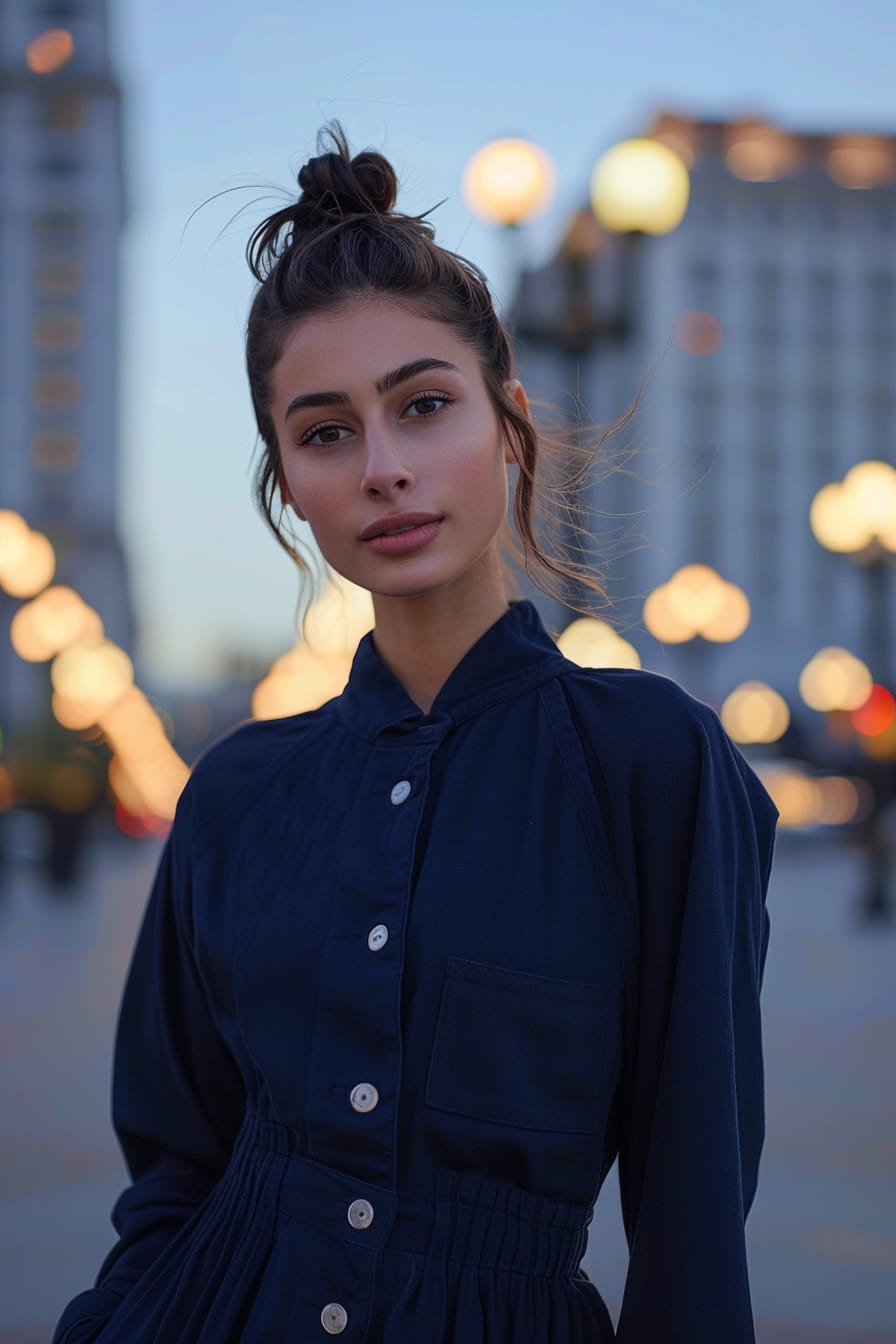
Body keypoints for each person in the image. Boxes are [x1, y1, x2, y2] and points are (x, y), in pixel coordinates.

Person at [52, 124, 778, 1344]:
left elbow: (692, 1225)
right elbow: (172, 1171)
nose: (382, 467)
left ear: (506, 416)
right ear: (289, 480)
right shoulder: (234, 794)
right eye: (325, 432)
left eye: (423, 405)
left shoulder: (650, 764)